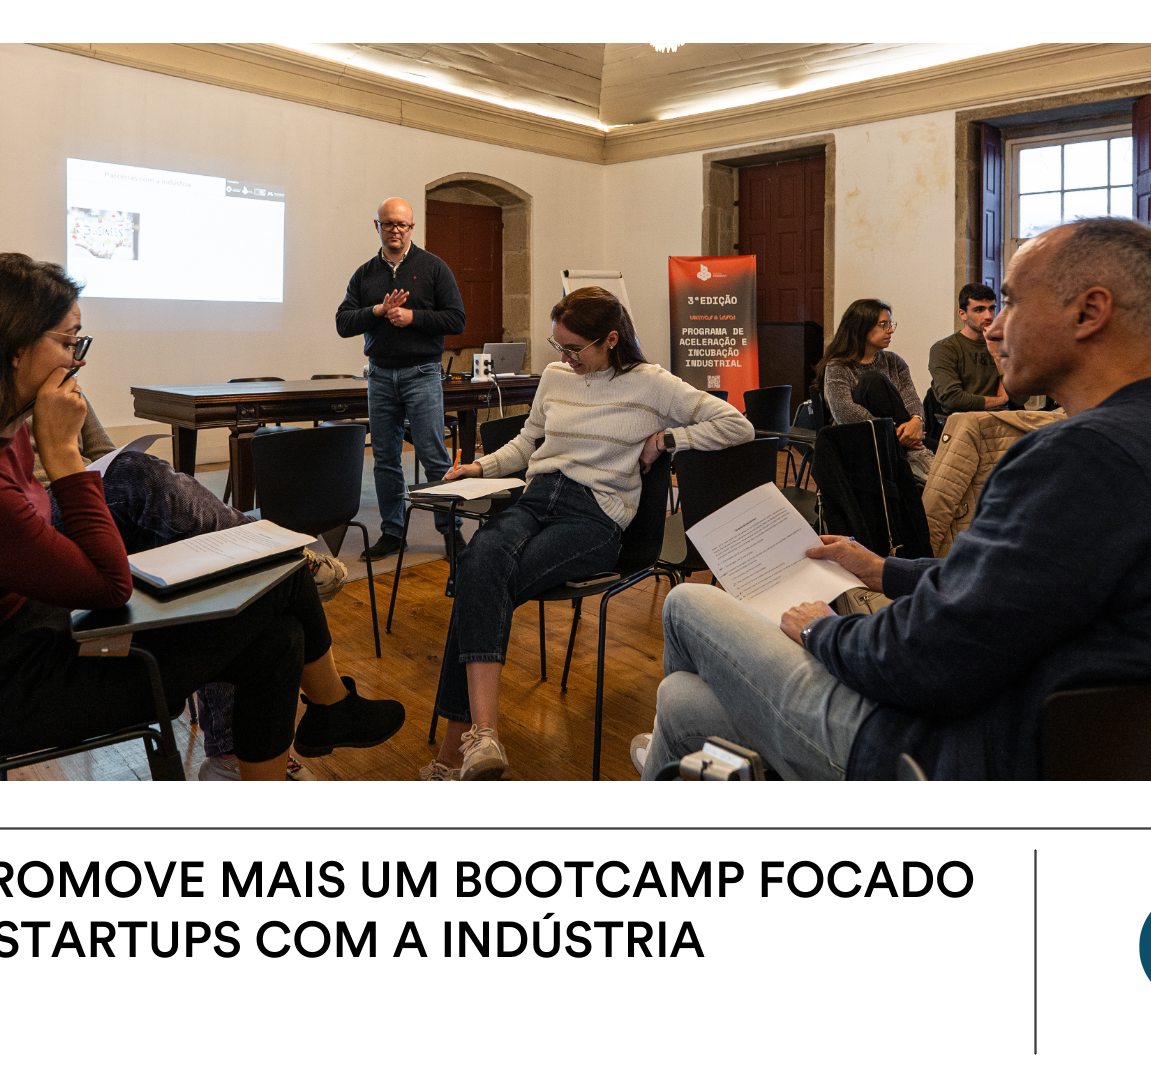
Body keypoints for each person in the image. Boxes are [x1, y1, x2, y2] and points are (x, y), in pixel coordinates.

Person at [636, 217, 1151, 780]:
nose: (994, 326)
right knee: (683, 704)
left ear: (1089, 311)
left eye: (1012, 301)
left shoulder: (1077, 456)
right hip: (1037, 749)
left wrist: (826, 630)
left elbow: (927, 659)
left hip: (941, 754)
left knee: (689, 602)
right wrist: (884, 569)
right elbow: (1016, 590)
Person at [0, 253, 403, 780]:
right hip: (4, 694)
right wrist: (63, 455)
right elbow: (109, 586)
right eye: (68, 341)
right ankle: (332, 709)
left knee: (278, 631)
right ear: (11, 349)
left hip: (30, 636)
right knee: (282, 577)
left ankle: (290, 751)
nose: (78, 359)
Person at [426, 286, 753, 780]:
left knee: (480, 581)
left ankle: (458, 752)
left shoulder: (652, 383)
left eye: (575, 349)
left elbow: (735, 424)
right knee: (480, 562)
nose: (565, 358)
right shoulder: (556, 377)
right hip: (536, 498)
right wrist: (480, 467)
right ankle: (483, 737)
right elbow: (527, 443)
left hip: (594, 516)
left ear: (611, 340)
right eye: (558, 346)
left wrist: (667, 438)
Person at [0, 377, 346, 599]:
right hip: (23, 522)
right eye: (65, 341)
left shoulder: (59, 394)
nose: (74, 358)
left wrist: (85, 459)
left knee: (205, 567)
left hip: (81, 504)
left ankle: (270, 568)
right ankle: (278, 557)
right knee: (143, 483)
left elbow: (105, 454)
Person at [335, 197, 467, 559]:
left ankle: (451, 532)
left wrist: (413, 318)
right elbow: (343, 322)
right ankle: (393, 532)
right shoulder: (364, 274)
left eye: (402, 224)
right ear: (377, 226)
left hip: (422, 373)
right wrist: (378, 310)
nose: (395, 230)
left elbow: (456, 320)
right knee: (385, 458)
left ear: (412, 228)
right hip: (379, 375)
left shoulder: (434, 268)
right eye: (388, 224)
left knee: (433, 455)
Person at [810, 297, 934, 481]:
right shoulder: (838, 366)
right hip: (859, 439)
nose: (890, 330)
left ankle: (913, 453)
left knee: (952, 450)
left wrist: (916, 421)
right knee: (873, 381)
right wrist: (894, 432)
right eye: (883, 325)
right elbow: (844, 412)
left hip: (899, 439)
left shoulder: (894, 361)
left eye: (890, 324)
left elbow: (910, 397)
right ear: (860, 327)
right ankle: (913, 452)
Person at [924, 283, 1008, 447]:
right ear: (962, 314)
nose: (988, 316)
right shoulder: (945, 349)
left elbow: (1020, 397)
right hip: (963, 426)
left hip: (1003, 423)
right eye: (979, 310)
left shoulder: (1005, 344)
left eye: (991, 308)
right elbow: (953, 399)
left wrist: (997, 355)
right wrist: (1000, 400)